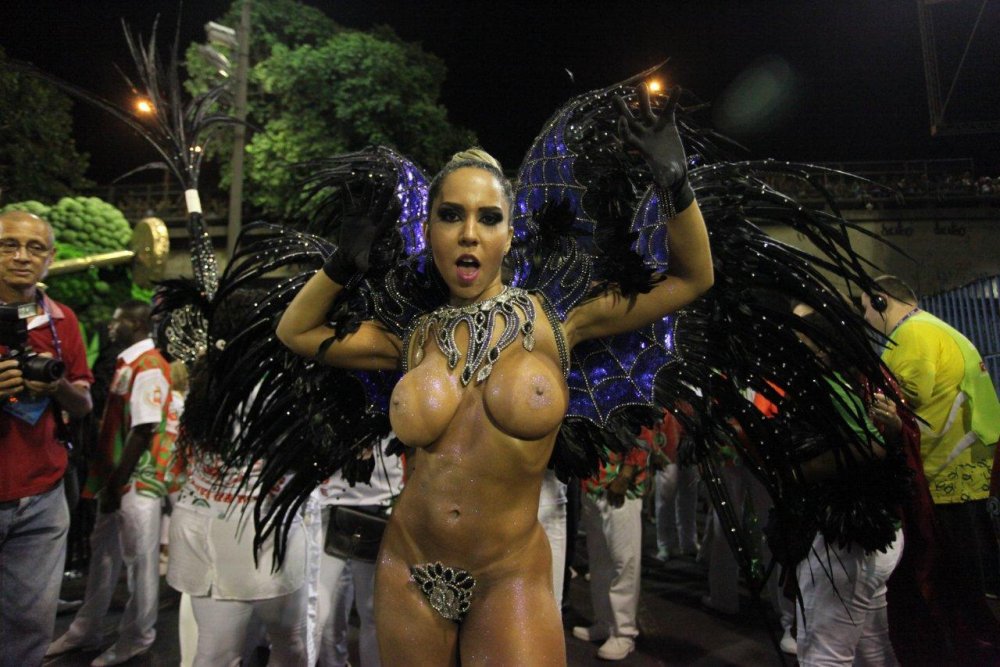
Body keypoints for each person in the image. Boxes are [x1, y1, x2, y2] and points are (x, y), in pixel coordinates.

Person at [276, 85, 713, 664]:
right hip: (408, 565)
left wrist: (675, 182)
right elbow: (296, 333)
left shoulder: (557, 321)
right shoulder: (411, 336)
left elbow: (691, 278)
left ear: (510, 234)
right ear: (429, 230)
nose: (468, 233)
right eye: (450, 216)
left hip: (509, 573)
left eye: (488, 218)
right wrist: (340, 264)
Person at [862, 275, 1000, 662]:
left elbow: (903, 393)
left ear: (881, 301)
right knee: (966, 576)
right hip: (964, 463)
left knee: (947, 581)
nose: (866, 318)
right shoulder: (939, 328)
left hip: (943, 470)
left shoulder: (912, 334)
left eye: (865, 308)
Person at [48, 300, 173, 666]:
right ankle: (86, 629)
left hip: (134, 482)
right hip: (117, 481)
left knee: (140, 564)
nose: (110, 326)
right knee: (104, 557)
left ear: (135, 323)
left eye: (117, 320)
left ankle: (138, 636)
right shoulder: (130, 362)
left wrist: (118, 484)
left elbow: (143, 430)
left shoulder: (149, 366)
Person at [0, 211, 93, 667]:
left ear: (50, 258)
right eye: (8, 245)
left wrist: (56, 385)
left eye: (35, 247)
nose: (21, 256)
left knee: (30, 627)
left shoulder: (62, 320)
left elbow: (84, 405)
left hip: (42, 497)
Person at [572, 443, 650, 661]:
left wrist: (625, 475)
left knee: (624, 561)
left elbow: (643, 431)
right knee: (599, 561)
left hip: (620, 486)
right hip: (593, 483)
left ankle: (624, 632)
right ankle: (605, 623)